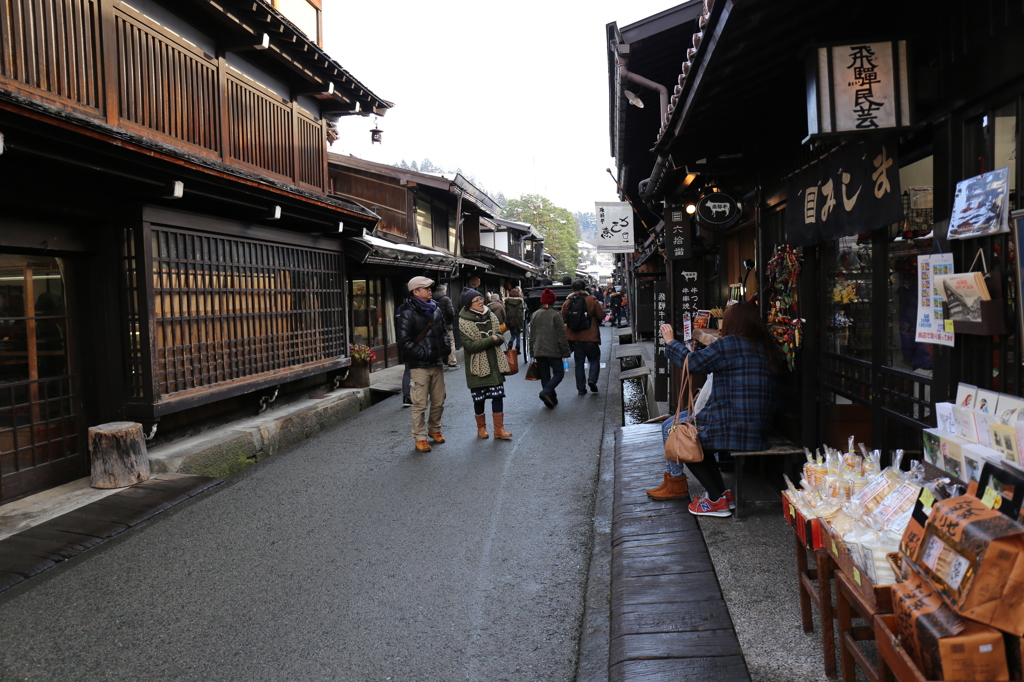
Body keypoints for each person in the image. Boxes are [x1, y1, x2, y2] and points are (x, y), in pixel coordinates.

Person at [647, 303, 777, 517]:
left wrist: (670, 342)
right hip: (759, 430)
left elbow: (693, 363)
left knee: (686, 438)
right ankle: (721, 494)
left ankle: (716, 501)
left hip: (735, 427)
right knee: (697, 435)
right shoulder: (765, 345)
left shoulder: (730, 344)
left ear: (733, 323)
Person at [396, 276, 450, 452]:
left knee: (439, 400)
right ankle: (419, 437)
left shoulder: (436, 309)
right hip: (419, 365)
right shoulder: (407, 312)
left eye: (430, 288)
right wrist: (424, 353)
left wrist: (445, 349)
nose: (430, 291)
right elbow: (404, 342)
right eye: (426, 288)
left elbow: (443, 332)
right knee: (419, 403)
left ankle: (434, 429)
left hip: (437, 363)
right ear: (415, 292)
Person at [458, 288, 513, 440]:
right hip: (476, 367)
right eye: (476, 300)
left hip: (494, 362)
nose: (481, 302)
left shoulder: (491, 316)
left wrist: (497, 338)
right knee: (479, 399)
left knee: (498, 396)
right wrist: (492, 339)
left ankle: (499, 430)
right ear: (469, 305)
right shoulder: (464, 322)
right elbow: (470, 346)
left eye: (480, 299)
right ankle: (481, 429)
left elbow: (500, 336)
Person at [562, 279, 606, 395]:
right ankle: (592, 379)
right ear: (585, 287)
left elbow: (563, 318)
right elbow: (601, 315)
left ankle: (581, 388)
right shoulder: (591, 300)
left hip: (576, 339)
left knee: (579, 363)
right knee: (594, 359)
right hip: (591, 337)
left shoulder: (568, 302)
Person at [529, 288, 570, 408]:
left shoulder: (535, 314)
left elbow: (531, 335)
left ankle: (551, 398)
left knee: (545, 374)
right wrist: (565, 351)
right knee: (559, 373)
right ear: (553, 301)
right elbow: (561, 335)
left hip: (538, 350)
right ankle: (546, 392)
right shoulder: (556, 315)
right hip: (553, 349)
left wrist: (532, 351)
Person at [433, 283, 459, 370]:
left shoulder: (431, 298)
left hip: (434, 326)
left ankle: (438, 361)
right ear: (444, 290)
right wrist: (450, 322)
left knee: (437, 343)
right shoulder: (446, 299)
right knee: (450, 342)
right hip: (446, 325)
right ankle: (451, 362)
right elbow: (450, 312)